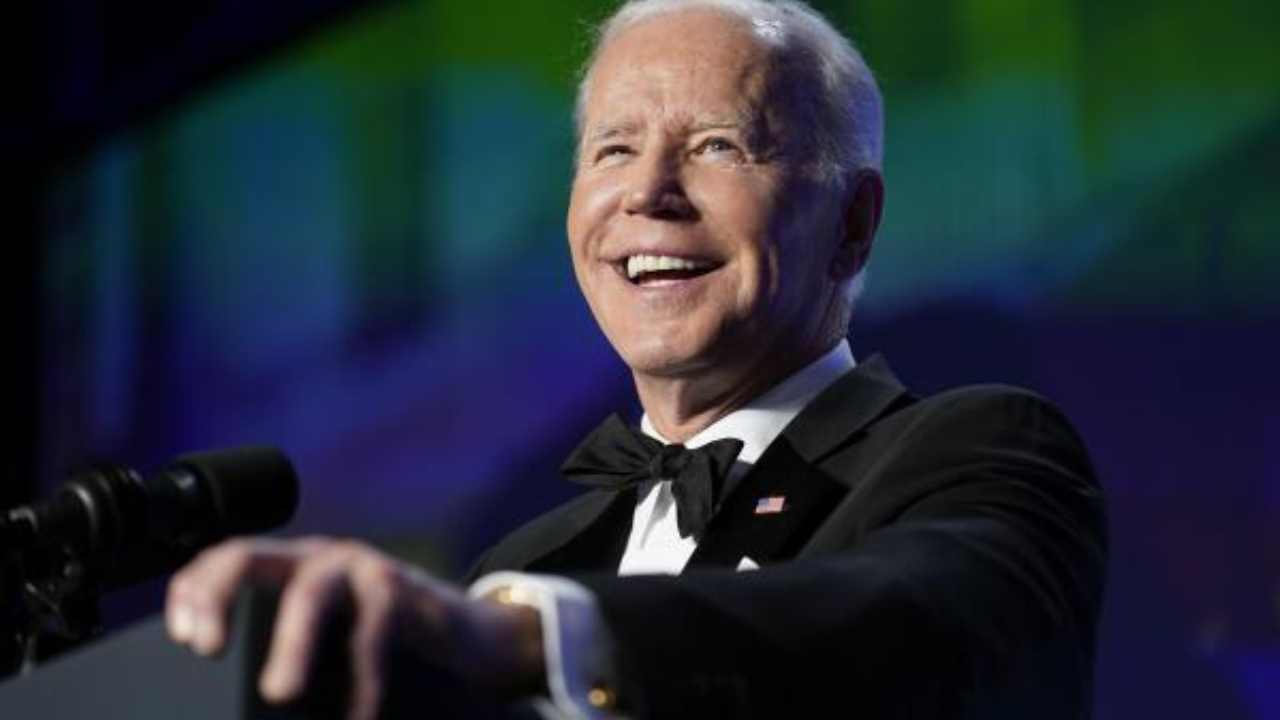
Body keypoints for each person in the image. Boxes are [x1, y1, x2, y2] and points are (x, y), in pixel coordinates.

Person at [165, 1, 1107, 718]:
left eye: (718, 146)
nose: (649, 194)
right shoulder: (526, 554)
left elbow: (910, 626)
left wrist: (529, 637)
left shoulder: (977, 448)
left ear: (852, 223)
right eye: (613, 150)